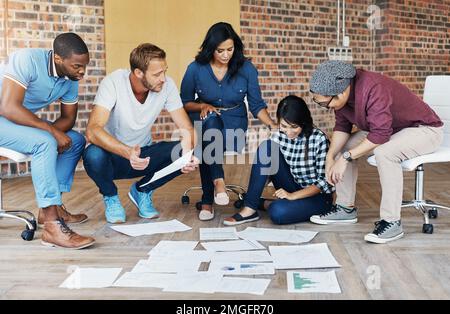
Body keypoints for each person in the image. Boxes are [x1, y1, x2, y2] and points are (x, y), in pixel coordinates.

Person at [308, 60, 443, 244]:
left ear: (342, 92)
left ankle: (392, 222)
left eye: (326, 104)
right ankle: (344, 209)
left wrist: (346, 158)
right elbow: (342, 127)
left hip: (424, 129)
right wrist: (331, 157)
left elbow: (380, 134)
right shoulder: (341, 100)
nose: (327, 107)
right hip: (391, 129)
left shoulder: (373, 88)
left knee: (385, 153)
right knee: (342, 147)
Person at [83, 43, 198, 224]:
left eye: (164, 71)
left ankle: (143, 190)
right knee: (92, 154)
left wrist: (188, 155)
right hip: (112, 157)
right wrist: (127, 152)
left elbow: (187, 129)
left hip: (144, 156)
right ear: (138, 73)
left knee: (185, 150)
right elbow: (93, 130)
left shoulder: (167, 87)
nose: (163, 79)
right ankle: (111, 196)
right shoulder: (113, 83)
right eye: (157, 74)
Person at [0, 33, 95, 249]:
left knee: (75, 140)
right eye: (77, 66)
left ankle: (50, 209)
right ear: (59, 59)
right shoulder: (27, 60)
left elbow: (68, 118)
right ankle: (53, 227)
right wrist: (50, 133)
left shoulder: (70, 77)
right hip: (4, 114)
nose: (82, 72)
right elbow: (8, 107)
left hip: (16, 121)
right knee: (45, 142)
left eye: (84, 66)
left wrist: (55, 134)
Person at [180, 22, 276, 221]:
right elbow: (184, 103)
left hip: (234, 124)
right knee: (209, 125)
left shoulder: (246, 68)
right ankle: (219, 183)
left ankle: (208, 199)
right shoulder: (196, 68)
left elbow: (257, 104)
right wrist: (202, 106)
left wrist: (272, 124)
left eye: (230, 49)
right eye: (220, 50)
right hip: (204, 119)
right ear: (210, 49)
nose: (225, 55)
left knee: (208, 138)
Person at [223, 95, 334, 226]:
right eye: (284, 126)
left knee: (278, 212)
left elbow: (323, 183)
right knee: (267, 146)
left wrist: (292, 196)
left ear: (303, 122)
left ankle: (267, 203)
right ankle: (250, 208)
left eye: (294, 127)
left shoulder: (318, 138)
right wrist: (259, 183)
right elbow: (269, 167)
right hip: (291, 185)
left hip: (316, 196)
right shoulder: (278, 134)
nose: (288, 132)